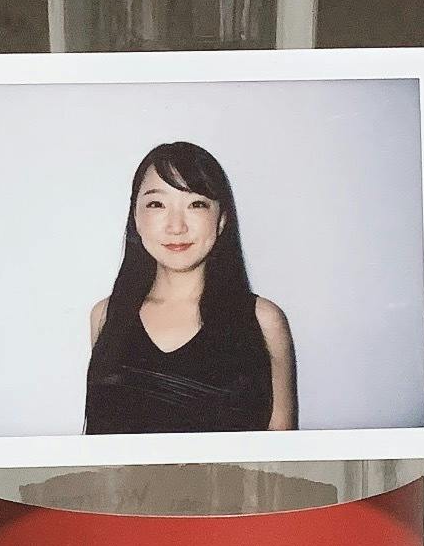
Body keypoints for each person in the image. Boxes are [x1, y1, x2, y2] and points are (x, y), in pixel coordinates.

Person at [85, 142, 296, 435]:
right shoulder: (106, 315)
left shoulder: (263, 319)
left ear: (221, 220)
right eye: (157, 204)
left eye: (196, 204)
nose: (176, 226)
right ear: (136, 218)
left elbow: (283, 453)